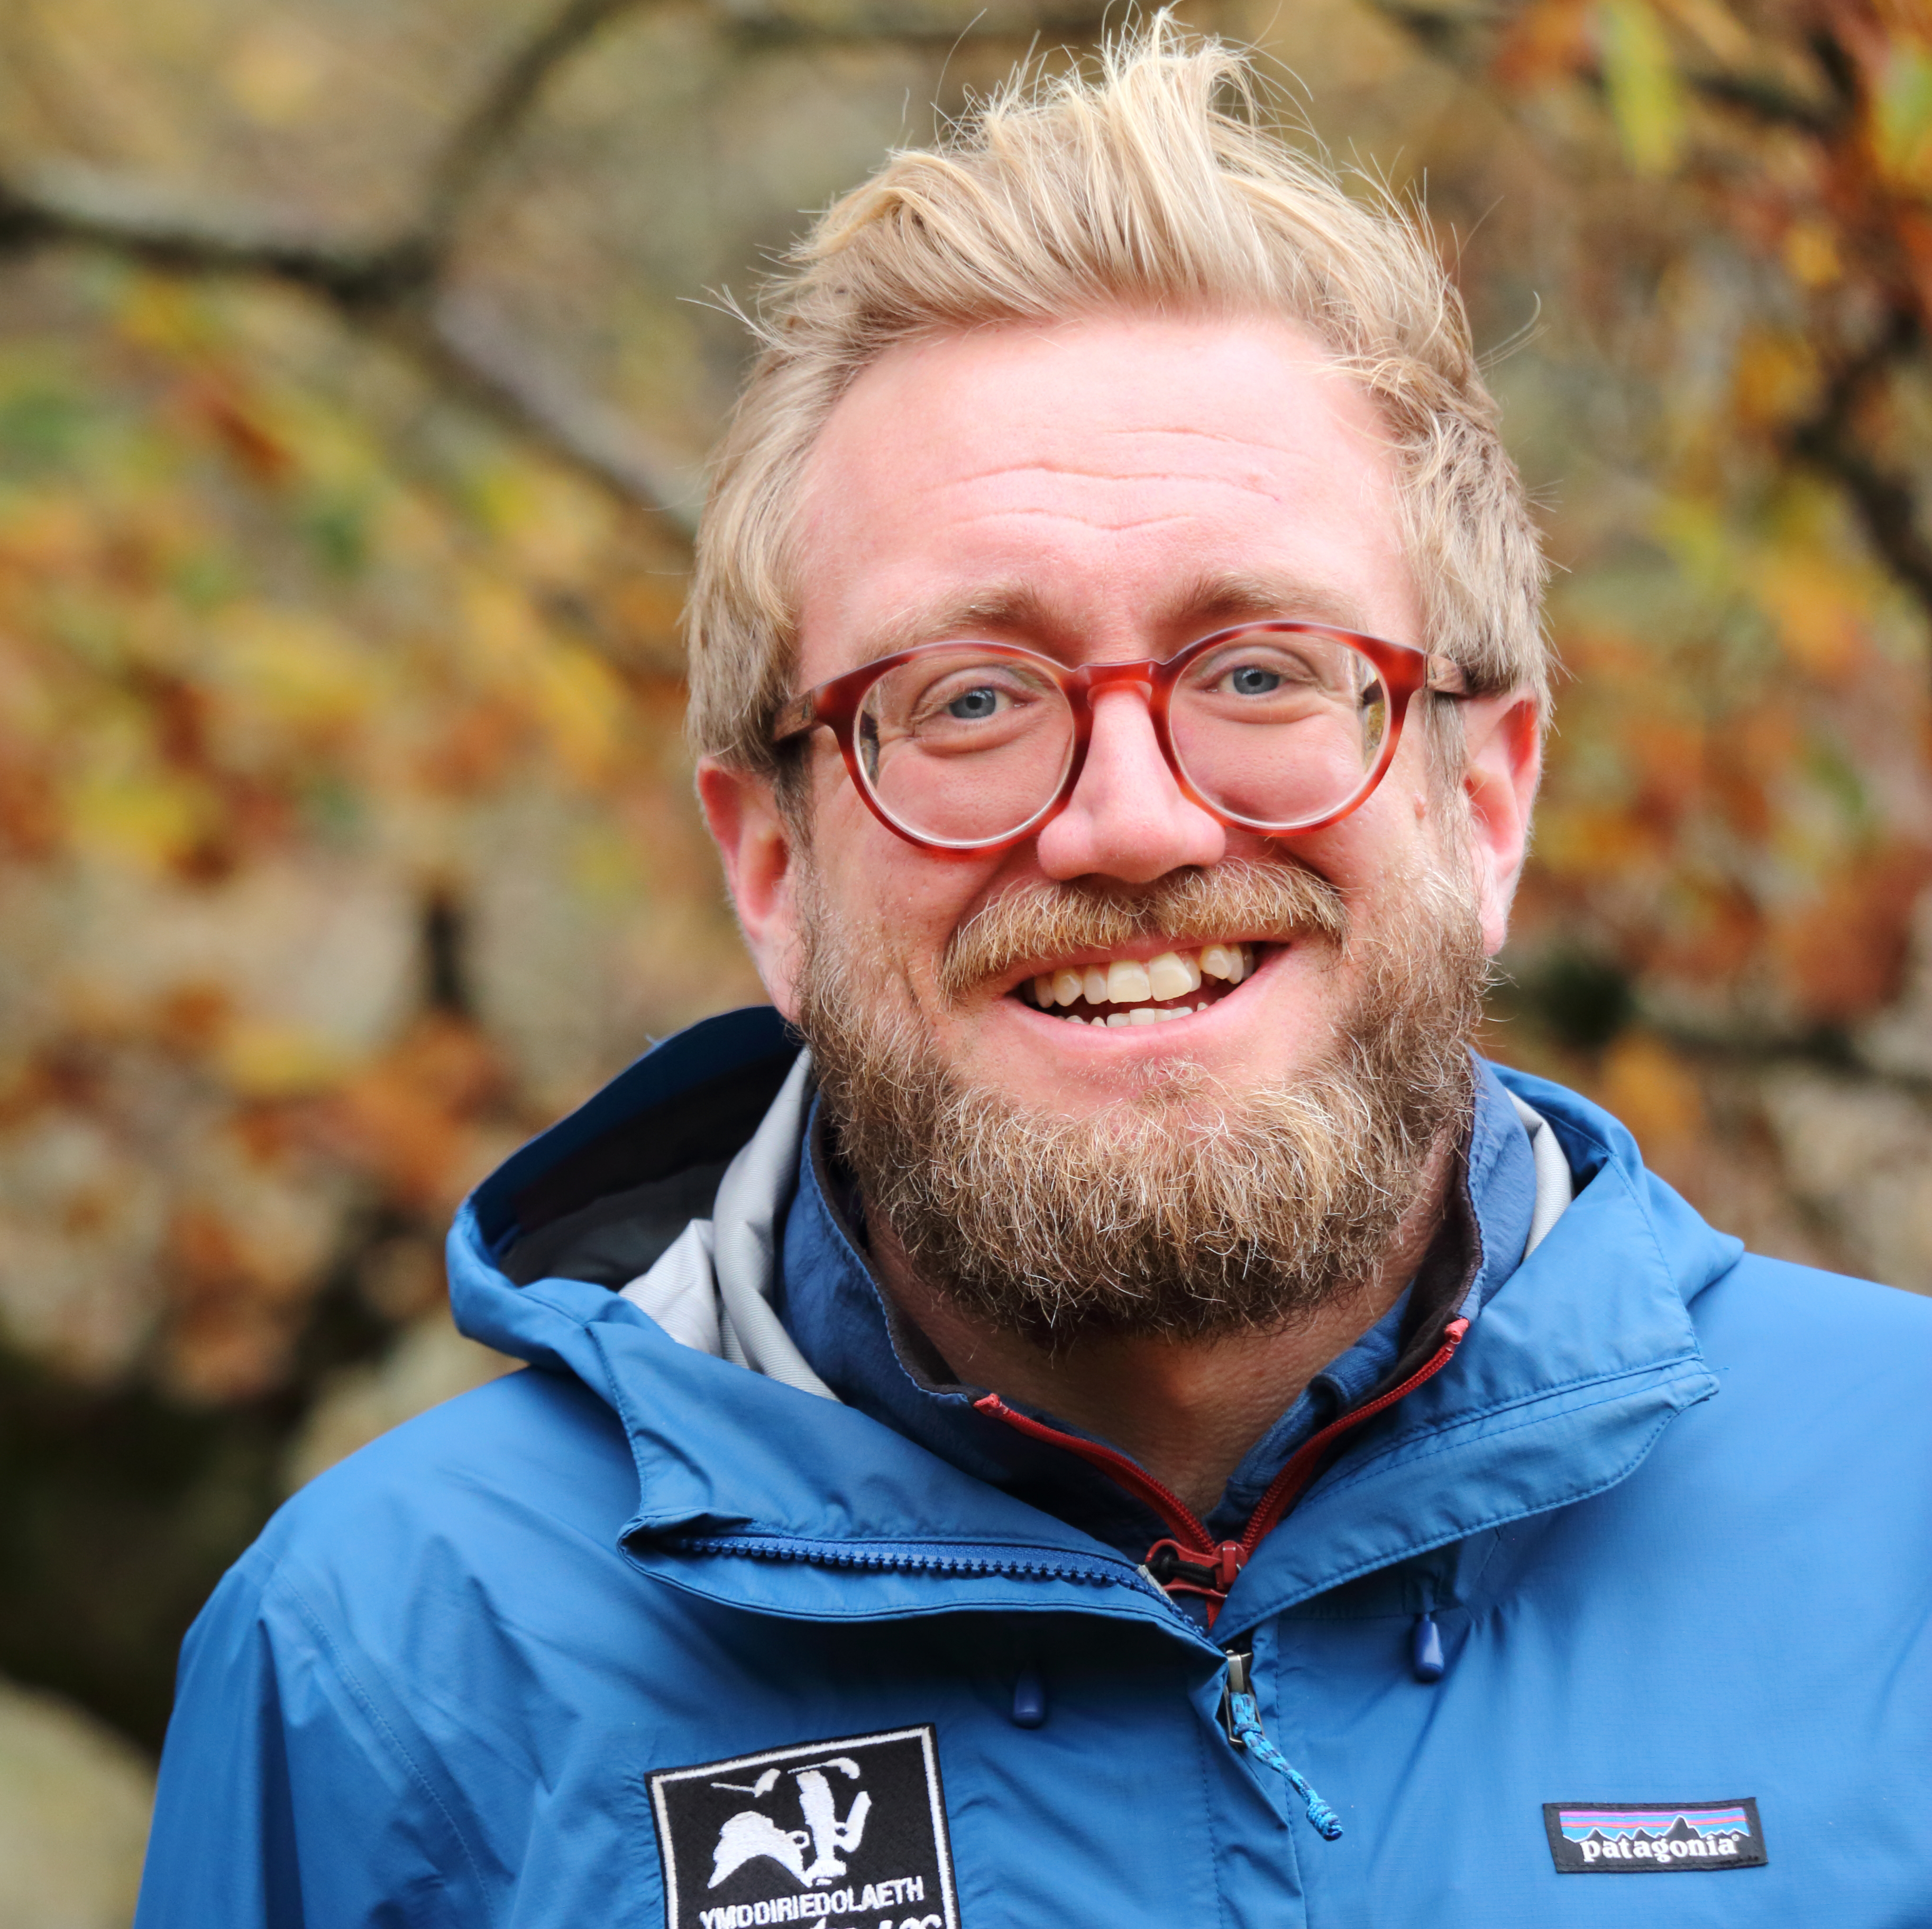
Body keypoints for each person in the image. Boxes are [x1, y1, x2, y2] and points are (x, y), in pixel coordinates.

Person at [135, 24, 1932, 1926]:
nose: (1135, 825)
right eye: (973, 700)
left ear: (1484, 795)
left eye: (1259, 670)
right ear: (773, 867)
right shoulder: (398, 1665)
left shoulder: (1901, 1528)